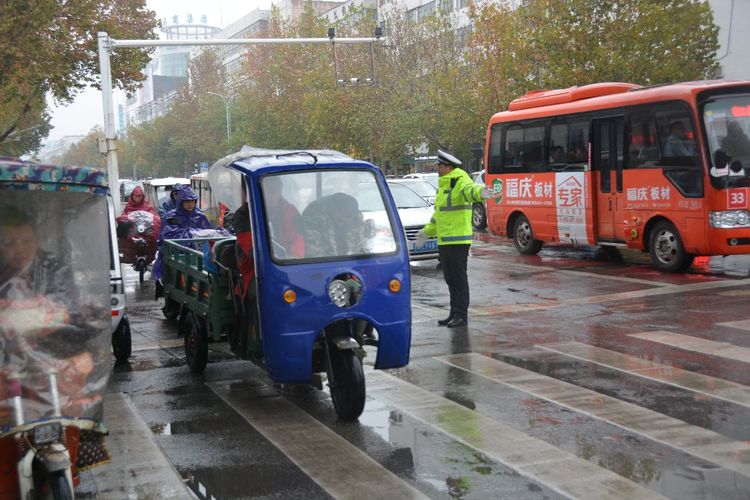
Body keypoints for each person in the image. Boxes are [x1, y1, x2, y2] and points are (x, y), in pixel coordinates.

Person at [416, 149, 492, 328]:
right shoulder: (444, 186)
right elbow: (438, 215)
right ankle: (453, 312)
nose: (438, 169)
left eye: (440, 166)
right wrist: (425, 232)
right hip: (445, 240)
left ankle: (461, 315)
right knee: (450, 278)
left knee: (458, 278)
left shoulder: (460, 180)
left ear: (449, 168)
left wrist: (481, 192)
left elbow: (470, 191)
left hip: (458, 240)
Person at [153, 185, 213, 281]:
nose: (190, 204)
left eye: (192, 201)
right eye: (187, 201)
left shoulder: (200, 216)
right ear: (181, 202)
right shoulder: (171, 216)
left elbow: (208, 232)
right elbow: (166, 236)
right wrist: (190, 233)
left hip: (198, 253)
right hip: (177, 255)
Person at [301, 192, 366, 258]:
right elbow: (315, 254)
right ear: (331, 208)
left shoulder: (355, 216)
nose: (342, 225)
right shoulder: (313, 216)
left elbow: (359, 246)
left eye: (347, 223)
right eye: (339, 220)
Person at [263, 176, 305, 258]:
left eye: (276, 189)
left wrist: (293, 259)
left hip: (285, 259)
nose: (273, 193)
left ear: (281, 190)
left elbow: (297, 238)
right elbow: (251, 248)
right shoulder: (247, 213)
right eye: (269, 189)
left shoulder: (290, 211)